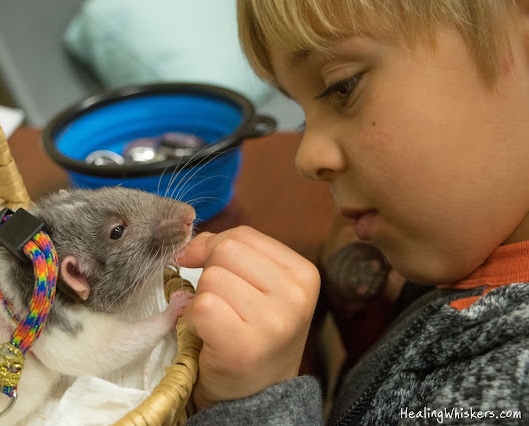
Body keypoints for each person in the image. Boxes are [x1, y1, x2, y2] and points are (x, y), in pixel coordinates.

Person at [178, 0, 529, 424]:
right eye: (306, 120)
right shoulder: (481, 247)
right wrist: (372, 318)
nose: (306, 158)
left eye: (342, 86)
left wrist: (254, 406)